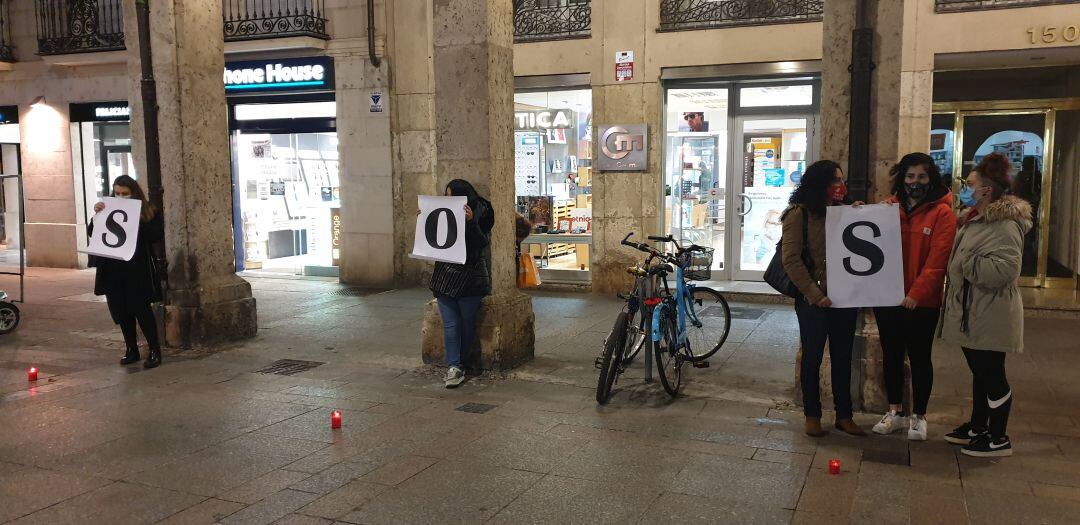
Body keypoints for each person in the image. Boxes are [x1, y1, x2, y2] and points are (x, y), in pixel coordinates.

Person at [940, 152, 1031, 457]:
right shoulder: (975, 218)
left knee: (992, 375)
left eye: (969, 184)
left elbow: (1005, 270)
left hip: (989, 310)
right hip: (974, 308)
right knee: (980, 371)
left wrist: (964, 260)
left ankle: (999, 437)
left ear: (986, 191)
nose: (964, 189)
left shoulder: (1004, 224)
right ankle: (979, 425)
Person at [871, 153, 957, 440]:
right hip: (888, 298)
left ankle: (919, 415)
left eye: (921, 176)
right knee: (891, 356)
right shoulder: (888, 208)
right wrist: (865, 212)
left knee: (920, 358)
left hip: (922, 302)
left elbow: (938, 260)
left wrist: (916, 293)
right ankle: (894, 411)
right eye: (910, 176)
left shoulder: (942, 214)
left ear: (931, 178)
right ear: (901, 178)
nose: (915, 182)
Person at [781, 160, 866, 438]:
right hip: (813, 300)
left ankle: (844, 415)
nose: (839, 186)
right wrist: (815, 295)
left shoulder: (845, 212)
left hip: (844, 298)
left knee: (843, 358)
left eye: (841, 180)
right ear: (819, 185)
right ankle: (812, 414)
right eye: (833, 181)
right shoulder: (798, 214)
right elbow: (791, 260)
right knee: (812, 357)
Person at [90, 176, 165, 369]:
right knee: (121, 311)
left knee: (141, 309)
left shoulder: (148, 211)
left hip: (136, 269)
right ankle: (132, 349)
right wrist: (96, 216)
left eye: (125, 194)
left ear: (134, 193)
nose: (121, 197)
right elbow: (94, 232)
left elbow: (156, 235)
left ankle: (154, 350)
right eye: (117, 193)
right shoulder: (107, 209)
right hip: (113, 268)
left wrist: (136, 220)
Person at [428, 179, 494, 388]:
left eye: (451, 195)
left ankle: (460, 364)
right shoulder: (443, 212)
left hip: (470, 278)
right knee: (450, 325)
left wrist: (471, 221)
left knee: (466, 325)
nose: (448, 199)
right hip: (445, 276)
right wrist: (425, 221)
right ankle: (454, 366)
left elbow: (482, 243)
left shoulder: (481, 210)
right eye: (446, 195)